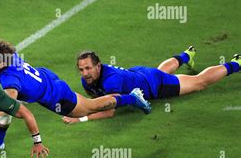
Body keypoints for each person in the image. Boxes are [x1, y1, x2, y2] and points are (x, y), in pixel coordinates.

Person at [0, 14, 152, 152]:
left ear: (0, 62)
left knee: (92, 106)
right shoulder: (6, 55)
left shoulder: (10, 81)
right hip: (45, 77)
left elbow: (7, 107)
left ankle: (131, 97)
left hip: (56, 96)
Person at [62, 48, 240, 124]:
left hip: (154, 84)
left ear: (98, 66)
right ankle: (186, 56)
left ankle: (235, 64)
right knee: (161, 71)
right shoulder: (87, 80)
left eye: (88, 68)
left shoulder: (111, 80)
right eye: (81, 69)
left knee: (199, 83)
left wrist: (80, 118)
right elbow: (98, 101)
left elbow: (109, 111)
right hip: (139, 75)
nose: (85, 73)